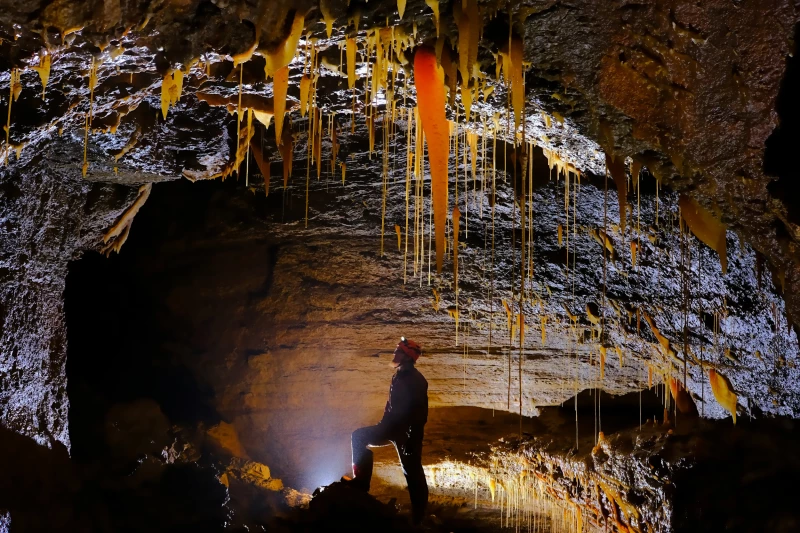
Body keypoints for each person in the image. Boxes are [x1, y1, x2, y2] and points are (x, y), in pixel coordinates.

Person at [345, 337, 429, 525]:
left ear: (407, 357)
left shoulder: (417, 381)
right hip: (390, 427)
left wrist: (412, 438)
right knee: (358, 437)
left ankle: (419, 518)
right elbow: (391, 405)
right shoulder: (398, 375)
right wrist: (383, 424)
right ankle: (361, 482)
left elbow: (420, 413)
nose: (394, 354)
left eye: (398, 351)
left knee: (412, 472)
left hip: (406, 432)